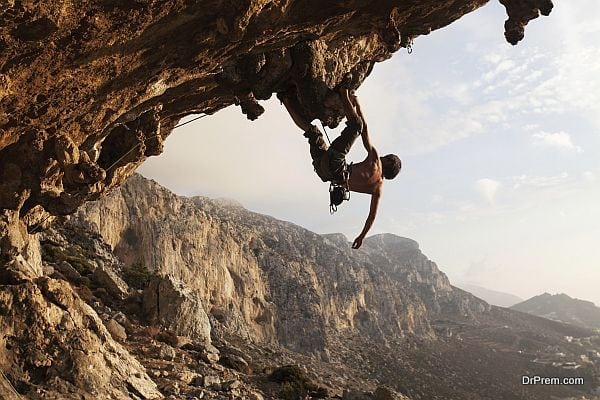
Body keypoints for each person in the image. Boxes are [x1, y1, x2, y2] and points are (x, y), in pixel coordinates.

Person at [281, 87, 401, 249]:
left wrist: (357, 104)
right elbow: (371, 216)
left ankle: (343, 91)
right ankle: (286, 99)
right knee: (313, 133)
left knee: (355, 125)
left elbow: (363, 129)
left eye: (385, 157)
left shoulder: (376, 162)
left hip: (335, 164)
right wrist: (361, 236)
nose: (382, 157)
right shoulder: (377, 190)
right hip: (324, 173)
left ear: (387, 162)